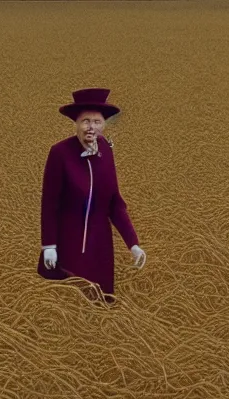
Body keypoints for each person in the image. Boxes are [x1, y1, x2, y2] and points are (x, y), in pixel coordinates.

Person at [38, 88, 146, 301]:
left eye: (97, 122)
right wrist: (49, 245)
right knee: (68, 301)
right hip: (68, 242)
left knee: (101, 302)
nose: (91, 127)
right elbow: (49, 204)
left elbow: (115, 203)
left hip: (100, 246)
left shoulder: (106, 151)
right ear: (76, 124)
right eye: (85, 121)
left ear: (104, 124)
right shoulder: (59, 153)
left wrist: (132, 243)